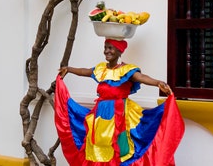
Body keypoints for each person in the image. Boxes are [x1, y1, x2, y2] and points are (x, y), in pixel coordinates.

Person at [54, 38, 184, 166]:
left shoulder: (127, 70)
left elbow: (142, 77)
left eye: (110, 48)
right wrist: (69, 69)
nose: (106, 51)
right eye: (105, 48)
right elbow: (85, 71)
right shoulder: (101, 69)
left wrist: (158, 83)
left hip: (120, 114)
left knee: (120, 147)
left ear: (119, 51)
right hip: (101, 114)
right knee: (101, 147)